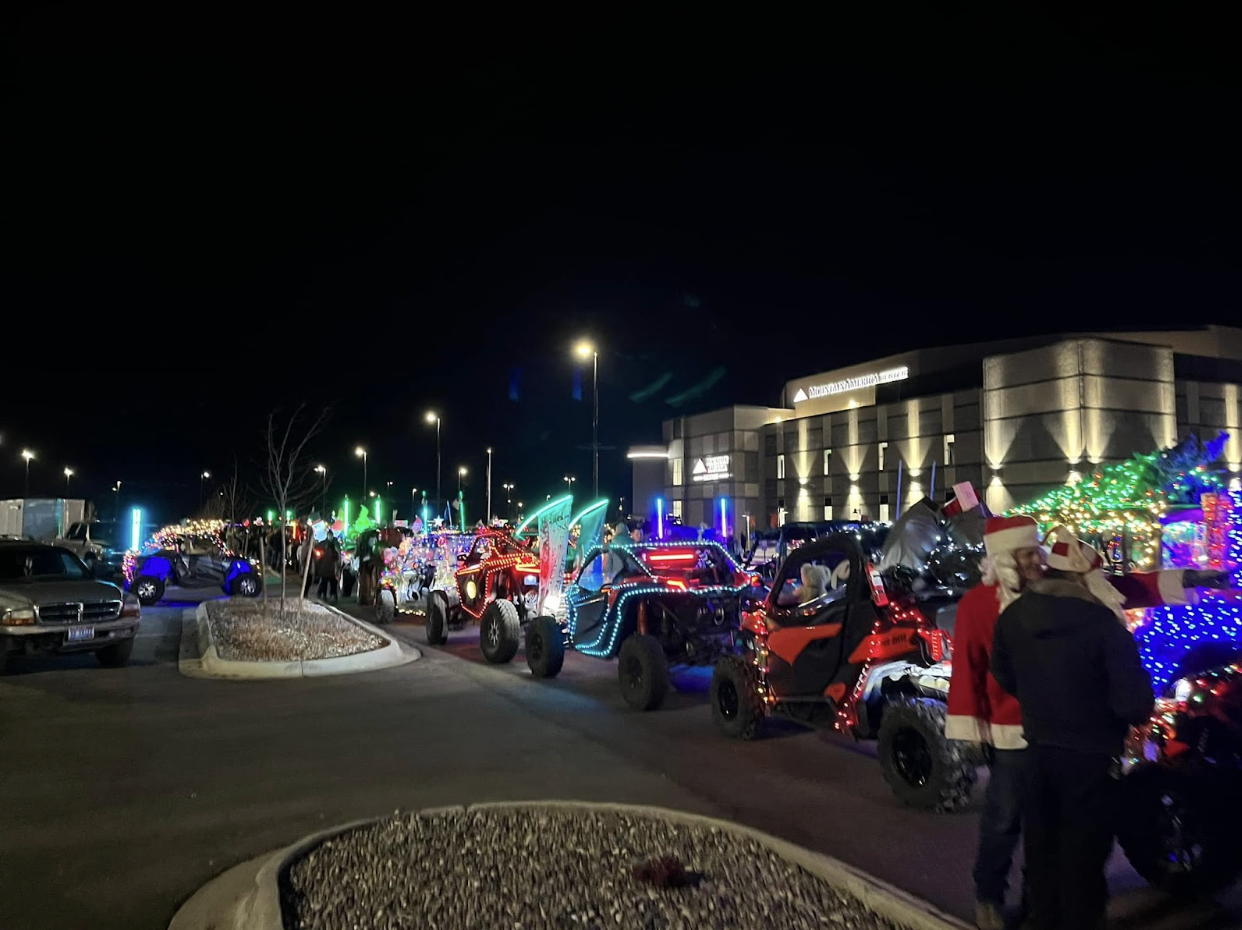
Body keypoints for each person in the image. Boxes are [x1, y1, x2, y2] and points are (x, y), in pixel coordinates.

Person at [992, 546, 1154, 930]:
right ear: (1083, 579)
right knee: (1084, 851)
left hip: (1037, 748)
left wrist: (1040, 703)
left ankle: (1042, 918)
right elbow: (1134, 704)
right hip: (1092, 756)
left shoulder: (1013, 616)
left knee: (1042, 845)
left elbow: (1003, 673)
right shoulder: (1103, 624)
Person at [944, 516, 1044, 930]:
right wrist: (971, 733)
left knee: (1046, 825)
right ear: (1005, 558)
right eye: (1027, 554)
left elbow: (1117, 586)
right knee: (1003, 822)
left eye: (1036, 552)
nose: (1036, 561)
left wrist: (1183, 581)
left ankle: (1038, 901)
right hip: (1010, 734)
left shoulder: (1054, 591)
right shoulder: (977, 605)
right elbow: (967, 671)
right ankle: (989, 897)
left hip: (1057, 733)